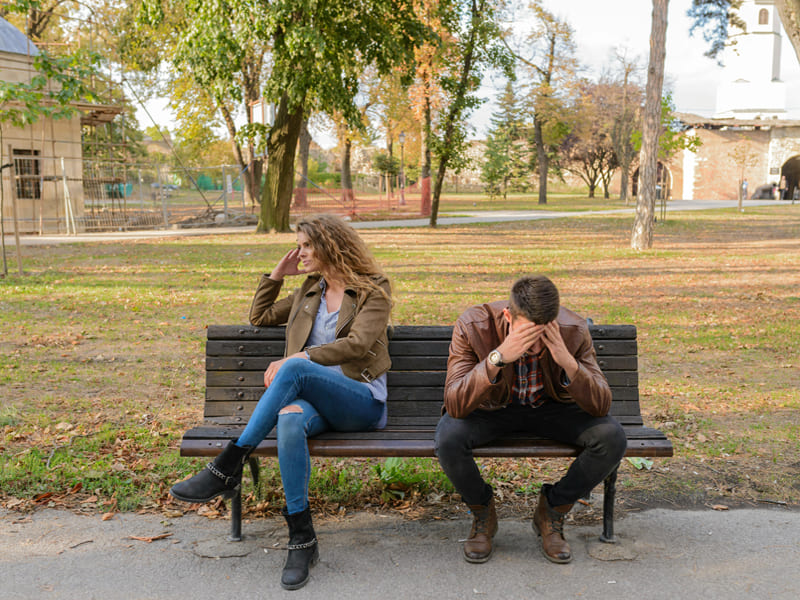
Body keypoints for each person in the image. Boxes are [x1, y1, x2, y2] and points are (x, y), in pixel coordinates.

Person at [170, 214, 392, 590]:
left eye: (306, 245)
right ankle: (301, 538)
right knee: (289, 420)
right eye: (299, 245)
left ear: (329, 245)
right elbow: (259, 316)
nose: (299, 252)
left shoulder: (374, 288)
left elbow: (358, 345)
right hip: (313, 402)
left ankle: (228, 464)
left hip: (361, 401)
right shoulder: (309, 291)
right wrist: (276, 275)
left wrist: (299, 358)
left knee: (295, 368)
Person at [435, 275, 627, 565]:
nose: (534, 348)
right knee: (448, 437)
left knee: (611, 438)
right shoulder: (474, 325)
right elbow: (456, 404)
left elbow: (600, 405)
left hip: (551, 409)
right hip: (492, 410)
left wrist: (565, 358)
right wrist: (497, 358)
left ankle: (552, 510)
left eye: (542, 337)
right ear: (508, 316)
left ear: (554, 322)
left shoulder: (572, 329)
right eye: (526, 336)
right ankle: (483, 512)